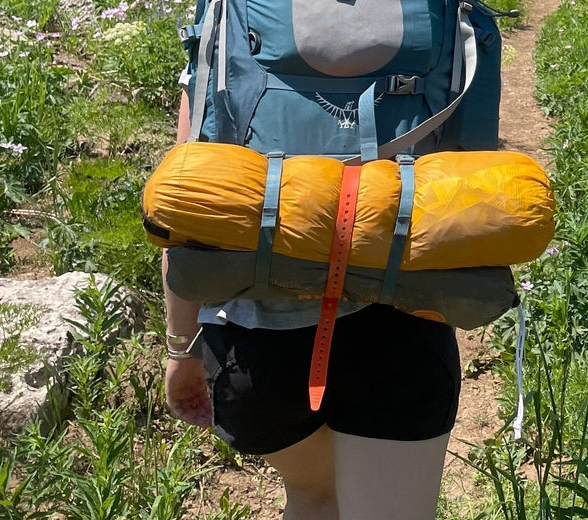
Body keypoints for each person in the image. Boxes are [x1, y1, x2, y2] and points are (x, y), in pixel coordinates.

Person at [162, 91, 461, 520]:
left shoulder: (227, 22)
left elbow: (184, 207)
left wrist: (181, 348)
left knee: (315, 496)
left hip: (256, 342)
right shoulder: (437, 22)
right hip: (401, 318)